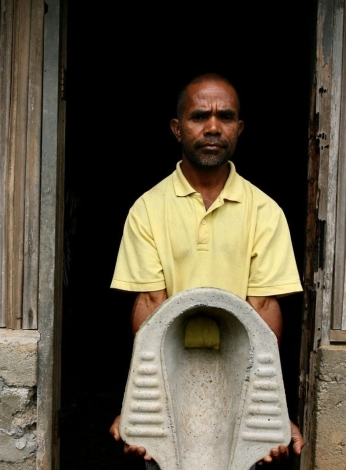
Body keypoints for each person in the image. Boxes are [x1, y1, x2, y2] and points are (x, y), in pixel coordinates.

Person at [108, 73, 305, 468]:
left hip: (239, 377)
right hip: (170, 373)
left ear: (239, 128)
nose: (213, 127)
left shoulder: (265, 212)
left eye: (225, 117)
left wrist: (268, 413)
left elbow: (263, 310)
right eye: (200, 116)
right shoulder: (148, 210)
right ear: (177, 128)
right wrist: (139, 409)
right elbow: (150, 307)